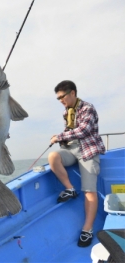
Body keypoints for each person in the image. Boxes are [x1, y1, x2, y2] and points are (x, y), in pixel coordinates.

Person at [48, 80, 105, 248]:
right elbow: (69, 132)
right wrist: (61, 138)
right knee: (53, 157)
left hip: (88, 150)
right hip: (72, 149)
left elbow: (83, 131)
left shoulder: (87, 108)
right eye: (58, 99)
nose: (61, 101)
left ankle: (87, 229)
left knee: (89, 191)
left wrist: (58, 137)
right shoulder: (67, 112)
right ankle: (70, 189)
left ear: (72, 93)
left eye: (62, 97)